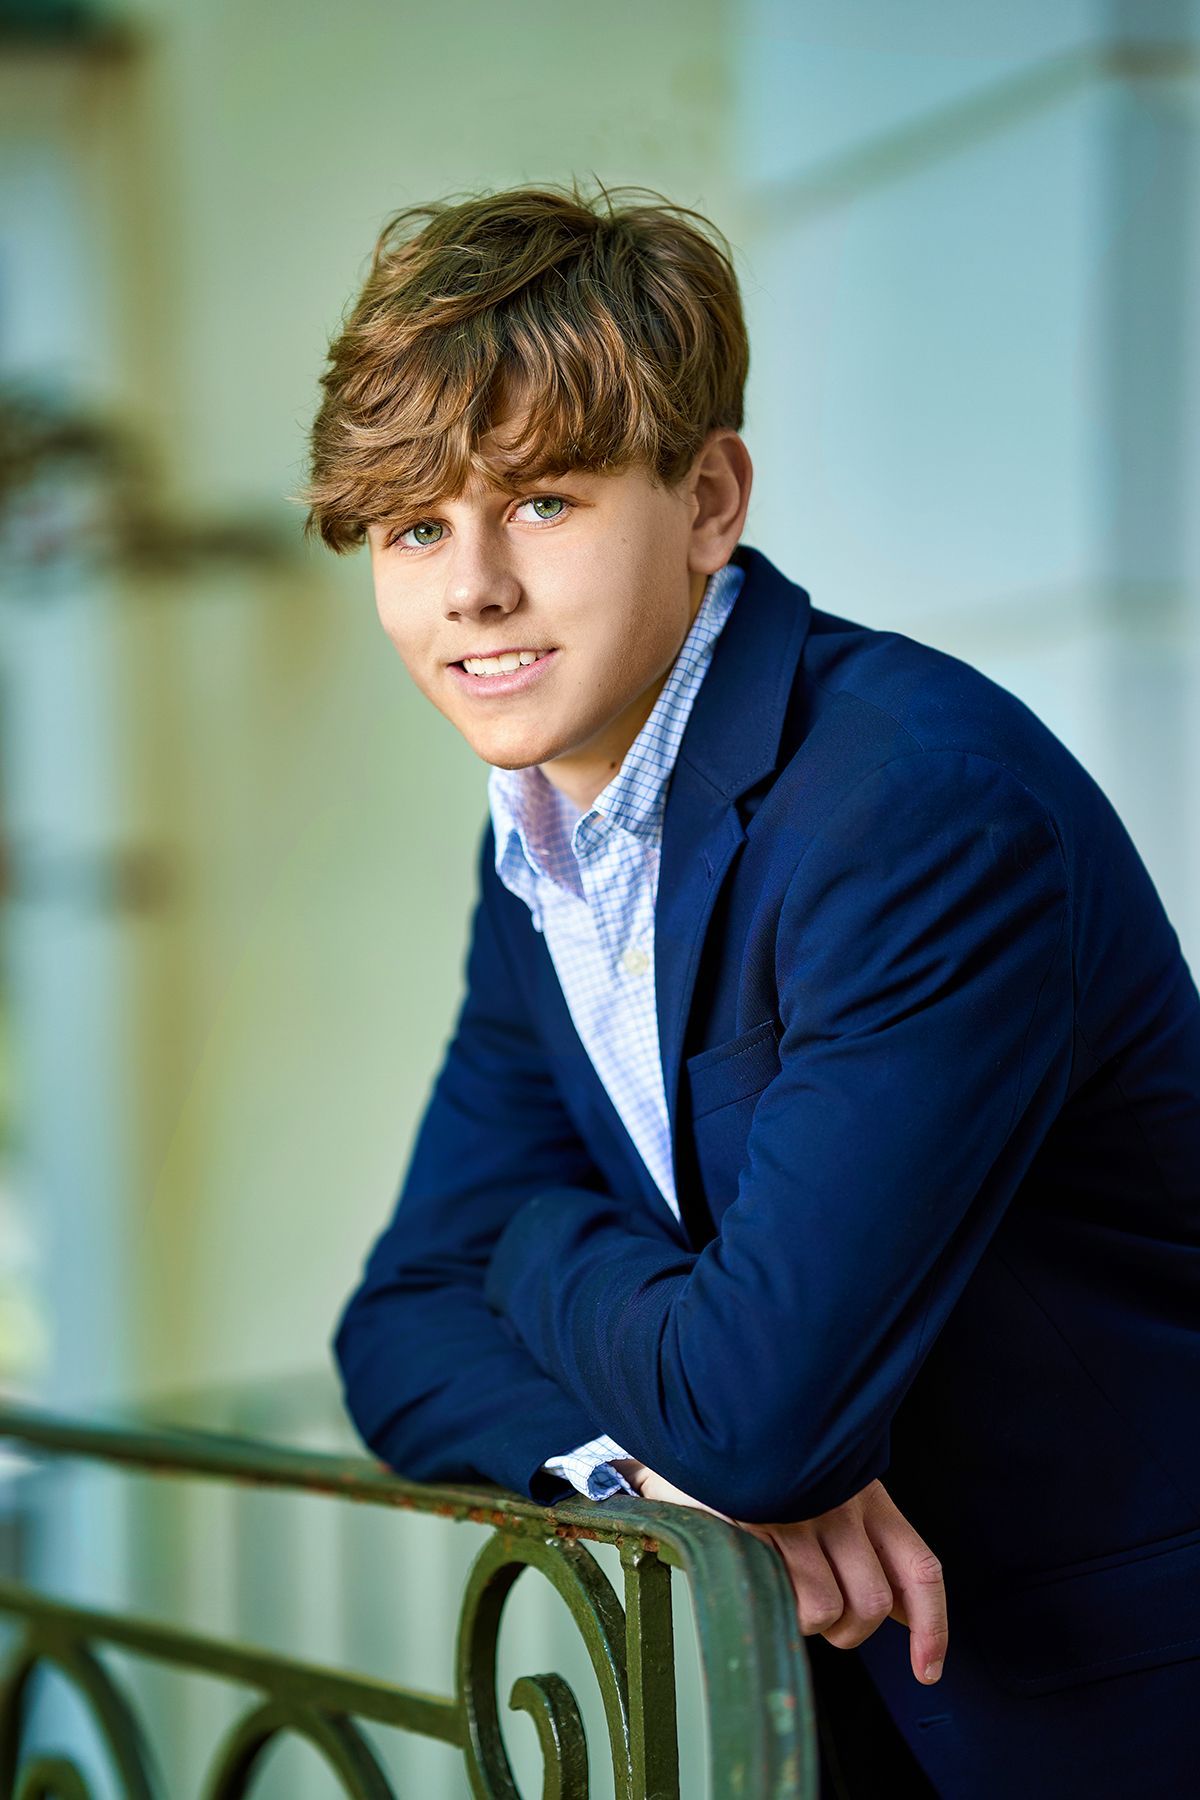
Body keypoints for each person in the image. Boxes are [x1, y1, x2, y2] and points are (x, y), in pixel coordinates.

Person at [299, 180, 1200, 1798]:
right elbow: (393, 1327)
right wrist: (636, 1467)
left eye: (545, 502)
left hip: (1116, 1704)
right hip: (845, 1717)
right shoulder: (545, 842)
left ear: (709, 499)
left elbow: (765, 1412)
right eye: (416, 526)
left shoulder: (917, 806)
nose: (471, 589)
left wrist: (530, 1235)